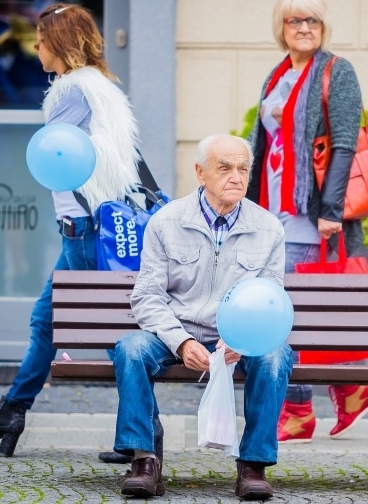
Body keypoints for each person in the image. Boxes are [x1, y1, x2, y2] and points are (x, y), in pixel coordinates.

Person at [0, 3, 145, 457]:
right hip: (85, 226)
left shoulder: (72, 92)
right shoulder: (98, 87)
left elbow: (55, 156)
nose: (36, 48)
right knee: (47, 321)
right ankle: (11, 414)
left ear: (60, 43)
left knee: (114, 332)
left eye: (41, 40)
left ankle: (143, 435)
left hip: (84, 227)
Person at [110, 134, 291, 500]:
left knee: (275, 356)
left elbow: (269, 300)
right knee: (129, 349)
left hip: (238, 338)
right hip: (175, 332)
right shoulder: (167, 221)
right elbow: (146, 296)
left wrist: (243, 339)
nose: (236, 177)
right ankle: (144, 460)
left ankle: (253, 465)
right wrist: (182, 340)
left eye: (243, 169)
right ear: (200, 172)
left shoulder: (269, 227)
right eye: (224, 168)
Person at [246, 0, 368, 444]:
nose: (303, 29)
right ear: (281, 28)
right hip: (273, 211)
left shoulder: (337, 72)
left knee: (286, 310)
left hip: (310, 215)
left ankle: (299, 408)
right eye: (294, 21)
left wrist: (331, 212)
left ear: (323, 28)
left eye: (312, 21)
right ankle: (351, 388)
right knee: (296, 307)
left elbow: (345, 141)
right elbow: (261, 144)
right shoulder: (277, 75)